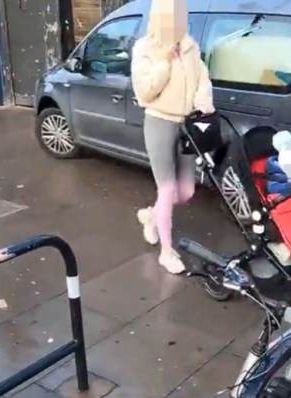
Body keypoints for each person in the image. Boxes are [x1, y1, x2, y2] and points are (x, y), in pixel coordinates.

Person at [131, 0, 215, 274]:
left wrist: (203, 97)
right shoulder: (145, 48)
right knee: (166, 189)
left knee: (187, 191)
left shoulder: (190, 45)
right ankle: (167, 252)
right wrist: (164, 62)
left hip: (187, 125)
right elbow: (144, 92)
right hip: (159, 122)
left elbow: (203, 74)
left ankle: (152, 216)